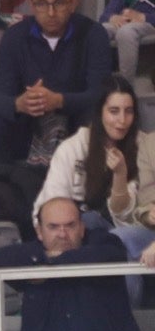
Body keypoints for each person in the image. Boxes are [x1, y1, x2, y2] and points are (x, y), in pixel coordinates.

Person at [0, 198, 148, 331]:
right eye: (53, 227)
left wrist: (48, 265)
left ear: (81, 228)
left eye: (70, 225)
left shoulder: (104, 244)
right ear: (39, 232)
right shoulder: (30, 253)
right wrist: (48, 259)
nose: (63, 234)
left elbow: (111, 254)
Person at [0, 0, 115, 164]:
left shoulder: (93, 34)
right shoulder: (15, 36)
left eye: (59, 3)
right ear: (32, 6)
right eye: (42, 4)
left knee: (97, 118)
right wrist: (19, 104)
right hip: (29, 124)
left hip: (76, 120)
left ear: (73, 4)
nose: (51, 12)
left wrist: (59, 100)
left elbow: (101, 94)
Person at [35, 74, 149, 234]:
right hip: (77, 232)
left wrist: (120, 175)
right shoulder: (72, 148)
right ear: (99, 112)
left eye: (128, 111)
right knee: (89, 220)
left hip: (130, 231)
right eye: (114, 111)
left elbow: (127, 217)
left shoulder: (146, 147)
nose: (122, 120)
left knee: (123, 234)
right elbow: (51, 204)